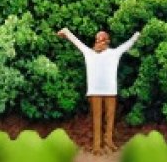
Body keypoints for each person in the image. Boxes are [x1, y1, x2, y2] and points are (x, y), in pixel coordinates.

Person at [57, 27, 140, 155]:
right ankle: (97, 146)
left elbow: (127, 44)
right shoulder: (88, 53)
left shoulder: (114, 53)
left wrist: (137, 35)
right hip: (94, 91)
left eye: (101, 39)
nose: (99, 41)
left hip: (110, 91)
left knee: (110, 118)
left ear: (107, 41)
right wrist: (66, 33)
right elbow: (76, 42)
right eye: (97, 39)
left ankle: (108, 142)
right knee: (97, 119)